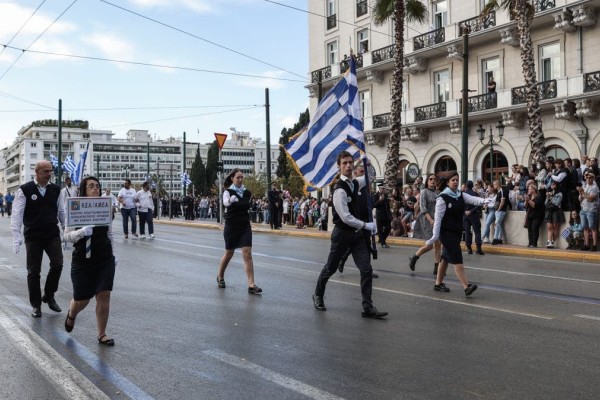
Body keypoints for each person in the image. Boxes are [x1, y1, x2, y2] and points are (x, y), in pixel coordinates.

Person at [312, 151, 387, 319]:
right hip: (342, 235)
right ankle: (318, 295)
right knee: (330, 268)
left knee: (366, 269)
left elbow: (370, 178)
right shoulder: (340, 189)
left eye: (350, 162)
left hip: (356, 235)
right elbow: (345, 218)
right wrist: (366, 225)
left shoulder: (354, 183)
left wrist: (368, 164)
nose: (348, 165)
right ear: (339, 166)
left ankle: (367, 307)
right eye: (344, 163)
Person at [63, 176, 116, 346]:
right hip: (82, 260)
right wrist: (81, 233)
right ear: (84, 190)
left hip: (104, 258)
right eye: (91, 186)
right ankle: (72, 313)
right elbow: (66, 236)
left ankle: (102, 334)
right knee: (82, 299)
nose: (96, 189)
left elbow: (109, 233)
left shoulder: (104, 207)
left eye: (97, 186)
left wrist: (113, 254)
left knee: (104, 294)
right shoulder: (75, 207)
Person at [10, 160, 65, 318]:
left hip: (51, 233)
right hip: (33, 235)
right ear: (37, 172)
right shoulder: (25, 190)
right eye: (46, 171)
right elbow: (17, 214)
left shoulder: (56, 190)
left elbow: (61, 212)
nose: (49, 174)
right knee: (33, 271)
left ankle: (49, 295)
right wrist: (16, 236)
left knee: (57, 264)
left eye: (50, 171)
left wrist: (66, 230)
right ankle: (36, 305)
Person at [426, 171, 492, 296]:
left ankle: (438, 283)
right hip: (446, 233)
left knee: (445, 258)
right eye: (453, 180)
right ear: (447, 182)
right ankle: (466, 286)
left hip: (456, 232)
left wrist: (484, 200)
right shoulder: (442, 197)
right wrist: (435, 236)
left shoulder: (460, 194)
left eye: (457, 180)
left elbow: (473, 200)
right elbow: (438, 219)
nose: (455, 182)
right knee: (457, 258)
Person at [217, 169, 262, 294]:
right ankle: (220, 276)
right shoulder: (228, 192)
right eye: (238, 177)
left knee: (247, 253)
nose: (240, 179)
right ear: (232, 178)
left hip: (244, 226)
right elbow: (226, 203)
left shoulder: (247, 193)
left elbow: (247, 206)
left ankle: (251, 284)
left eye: (242, 177)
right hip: (231, 226)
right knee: (229, 253)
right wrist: (230, 200)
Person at [409, 173, 442, 275]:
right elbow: (423, 207)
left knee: (438, 244)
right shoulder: (424, 192)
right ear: (427, 181)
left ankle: (436, 268)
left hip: (437, 220)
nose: (433, 180)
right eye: (431, 179)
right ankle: (414, 257)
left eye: (434, 179)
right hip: (427, 220)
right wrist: (430, 220)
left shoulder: (438, 193)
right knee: (429, 245)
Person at [577, 172, 599, 251]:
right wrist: (580, 193)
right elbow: (580, 199)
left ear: (593, 178)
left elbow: (590, 199)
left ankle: (594, 245)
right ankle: (586, 244)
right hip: (583, 208)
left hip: (591, 209)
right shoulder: (584, 186)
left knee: (593, 227)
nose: (588, 179)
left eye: (590, 178)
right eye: (587, 178)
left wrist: (582, 192)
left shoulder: (595, 188)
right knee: (585, 227)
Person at [463, 180, 484, 255]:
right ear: (472, 186)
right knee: (477, 231)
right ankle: (478, 249)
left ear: (466, 186)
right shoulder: (475, 194)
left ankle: (469, 248)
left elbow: (460, 205)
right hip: (474, 215)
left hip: (465, 215)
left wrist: (465, 211)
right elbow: (478, 205)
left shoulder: (463, 194)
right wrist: (471, 211)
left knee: (467, 232)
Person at [545, 181, 564, 248]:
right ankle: (548, 241)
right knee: (549, 227)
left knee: (555, 227)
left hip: (556, 211)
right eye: (551, 184)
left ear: (556, 185)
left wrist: (551, 197)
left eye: (553, 184)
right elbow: (545, 203)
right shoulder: (550, 192)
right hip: (550, 211)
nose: (551, 185)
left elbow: (557, 203)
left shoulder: (560, 194)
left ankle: (552, 241)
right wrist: (547, 197)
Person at [492, 179, 508, 245]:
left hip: (501, 211)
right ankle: (497, 238)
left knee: (497, 224)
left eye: (494, 184)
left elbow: (502, 202)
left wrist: (498, 209)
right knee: (498, 224)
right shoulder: (498, 192)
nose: (493, 186)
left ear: (497, 184)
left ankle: (498, 238)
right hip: (498, 211)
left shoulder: (502, 191)